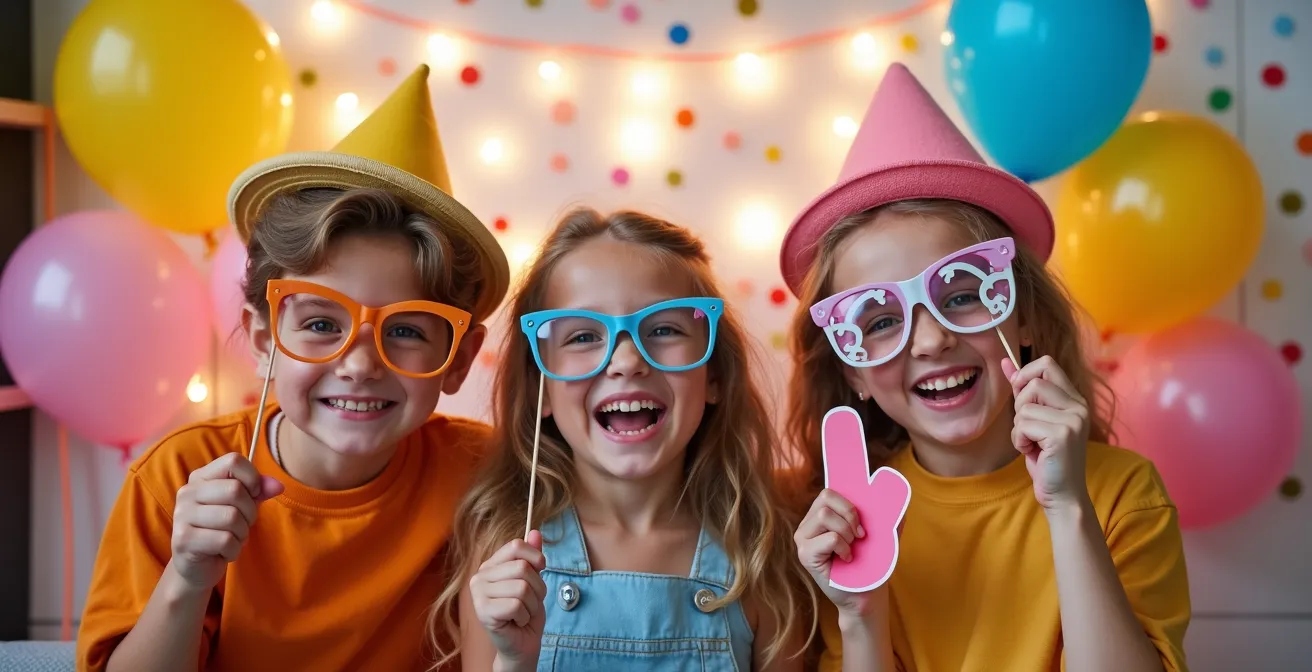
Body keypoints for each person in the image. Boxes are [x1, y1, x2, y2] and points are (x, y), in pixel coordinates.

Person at [76, 65, 509, 672]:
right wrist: (187, 576)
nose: (359, 364)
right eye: (321, 324)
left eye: (406, 330)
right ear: (263, 339)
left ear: (456, 359)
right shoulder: (175, 478)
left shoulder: (481, 473)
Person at [781, 63, 1190, 671]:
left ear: (1024, 317)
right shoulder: (847, 523)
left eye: (962, 295)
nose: (931, 340)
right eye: (881, 321)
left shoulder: (1122, 495)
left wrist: (1067, 507)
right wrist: (859, 614)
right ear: (853, 373)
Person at [428, 207, 817, 671]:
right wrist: (513, 660)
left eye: (664, 329)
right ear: (539, 390)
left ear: (714, 375)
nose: (627, 360)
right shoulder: (503, 551)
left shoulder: (759, 551)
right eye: (582, 337)